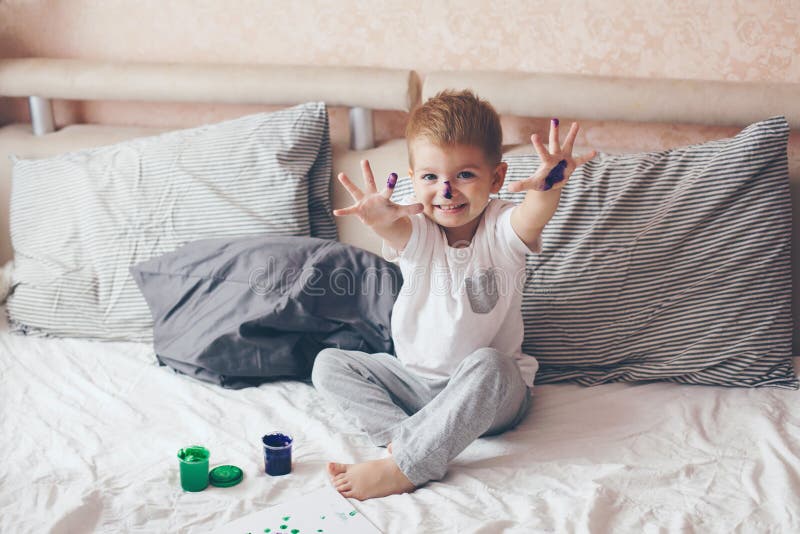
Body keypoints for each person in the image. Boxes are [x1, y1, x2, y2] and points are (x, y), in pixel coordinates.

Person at [311, 89, 597, 500]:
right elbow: (396, 229)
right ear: (412, 180)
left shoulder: (502, 230)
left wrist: (549, 184)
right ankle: (406, 441)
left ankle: (408, 466)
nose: (446, 190)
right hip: (415, 384)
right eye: (430, 177)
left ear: (496, 178)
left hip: (490, 394)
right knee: (328, 363)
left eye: (464, 175)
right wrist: (377, 219)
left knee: (491, 364)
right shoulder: (419, 230)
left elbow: (533, 214)